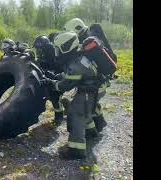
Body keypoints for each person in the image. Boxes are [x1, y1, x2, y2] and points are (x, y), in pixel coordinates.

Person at [42, 31, 100, 160]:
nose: (57, 53)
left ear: (66, 47)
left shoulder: (76, 64)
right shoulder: (79, 58)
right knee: (85, 114)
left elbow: (65, 85)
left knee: (75, 116)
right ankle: (91, 133)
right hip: (89, 92)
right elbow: (70, 75)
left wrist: (51, 83)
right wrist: (56, 76)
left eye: (58, 49)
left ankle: (76, 150)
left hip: (86, 93)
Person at [63, 18, 118, 132]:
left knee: (85, 106)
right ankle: (100, 123)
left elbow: (82, 64)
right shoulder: (93, 38)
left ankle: (93, 130)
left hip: (97, 82)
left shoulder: (87, 42)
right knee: (92, 103)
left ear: (76, 30)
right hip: (101, 79)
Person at [33, 35, 65, 124]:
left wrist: (50, 74)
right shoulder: (43, 55)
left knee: (55, 97)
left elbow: (59, 67)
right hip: (46, 78)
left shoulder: (54, 53)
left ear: (43, 47)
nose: (37, 51)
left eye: (38, 49)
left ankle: (59, 117)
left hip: (56, 79)